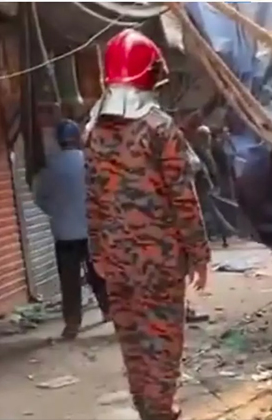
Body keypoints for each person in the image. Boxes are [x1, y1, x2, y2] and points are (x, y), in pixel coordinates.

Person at [84, 29, 211, 420]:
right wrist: (199, 253)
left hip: (115, 259)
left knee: (134, 344)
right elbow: (182, 198)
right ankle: (160, 413)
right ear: (149, 73)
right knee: (162, 342)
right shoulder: (160, 128)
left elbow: (93, 198)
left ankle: (148, 411)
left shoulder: (93, 131)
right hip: (160, 258)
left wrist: (98, 253)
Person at [34, 119, 110, 340]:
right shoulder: (90, 162)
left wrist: (56, 212)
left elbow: (40, 199)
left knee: (69, 281)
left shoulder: (49, 167)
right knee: (98, 274)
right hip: (90, 231)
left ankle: (72, 324)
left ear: (58, 140)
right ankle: (109, 310)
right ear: (77, 138)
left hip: (64, 234)